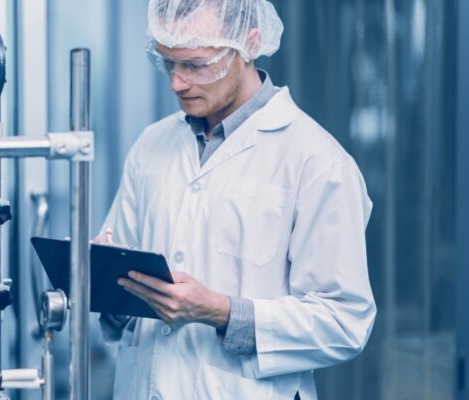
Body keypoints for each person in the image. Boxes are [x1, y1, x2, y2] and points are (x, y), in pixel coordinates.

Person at [98, 0, 377, 399]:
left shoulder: (317, 161)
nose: (177, 82)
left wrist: (222, 312)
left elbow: (346, 321)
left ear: (250, 43)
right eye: (168, 64)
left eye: (196, 65)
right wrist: (105, 285)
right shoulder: (151, 145)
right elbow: (118, 283)